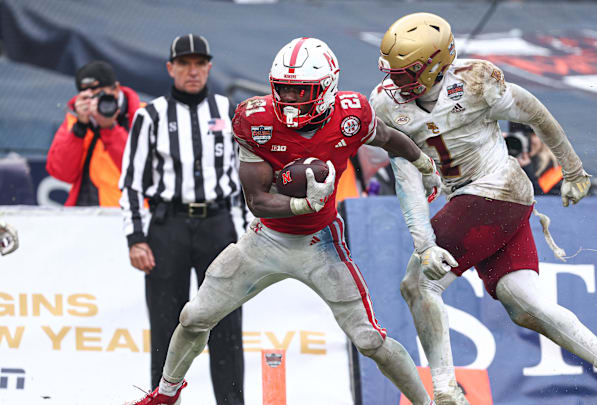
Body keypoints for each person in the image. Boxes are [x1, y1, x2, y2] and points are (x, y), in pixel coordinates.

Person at [127, 37, 442, 405]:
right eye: (284, 89)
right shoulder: (255, 118)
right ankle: (165, 394)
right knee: (194, 316)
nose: (289, 99)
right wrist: (304, 204)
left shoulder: (352, 114)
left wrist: (424, 165)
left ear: (327, 88)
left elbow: (388, 138)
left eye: (300, 90)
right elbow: (257, 201)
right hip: (266, 240)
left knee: (370, 338)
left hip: (320, 242)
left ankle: (428, 403)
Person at [370, 12, 597, 405]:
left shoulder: (476, 82)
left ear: (435, 66)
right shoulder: (385, 104)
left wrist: (573, 170)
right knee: (525, 304)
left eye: (405, 73)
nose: (395, 82)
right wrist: (426, 234)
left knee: (418, 284)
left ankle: (445, 392)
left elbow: (535, 112)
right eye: (393, 72)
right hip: (493, 201)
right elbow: (406, 176)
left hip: (493, 191)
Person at [119, 34, 244, 404]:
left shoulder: (229, 111)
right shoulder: (150, 115)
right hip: (167, 227)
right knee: (166, 326)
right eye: (185, 64)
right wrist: (135, 238)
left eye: (200, 63)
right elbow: (130, 183)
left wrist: (245, 234)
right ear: (170, 68)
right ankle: (160, 400)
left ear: (209, 67)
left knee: (226, 326)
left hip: (218, 225)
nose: (193, 71)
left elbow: (246, 178)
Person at [47, 61, 141, 206]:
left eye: (99, 94)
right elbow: (62, 173)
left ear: (116, 89)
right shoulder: (75, 119)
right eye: (88, 96)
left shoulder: (143, 115)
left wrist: (110, 128)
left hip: (132, 214)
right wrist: (80, 127)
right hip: (85, 214)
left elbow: (143, 171)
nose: (95, 102)